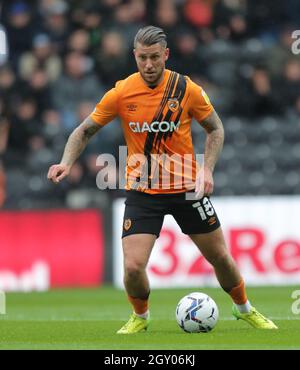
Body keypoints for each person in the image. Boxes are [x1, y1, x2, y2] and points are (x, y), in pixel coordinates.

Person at [47, 26, 277, 333]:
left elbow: (216, 129)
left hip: (186, 189)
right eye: (142, 58)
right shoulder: (122, 92)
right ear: (135, 56)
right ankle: (140, 316)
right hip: (143, 192)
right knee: (131, 267)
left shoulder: (186, 89)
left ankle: (244, 308)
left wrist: (206, 169)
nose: (149, 65)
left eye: (155, 57)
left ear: (165, 55)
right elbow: (84, 130)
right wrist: (66, 162)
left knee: (220, 256)